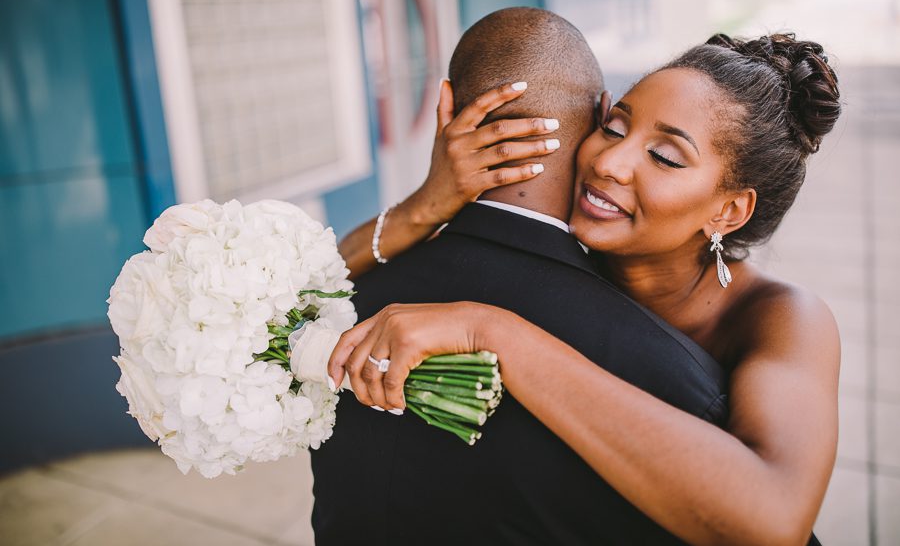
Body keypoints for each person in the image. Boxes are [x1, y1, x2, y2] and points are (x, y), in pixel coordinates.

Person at [329, 32, 842, 545]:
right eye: (614, 127)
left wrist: (492, 331)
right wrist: (427, 203)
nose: (606, 163)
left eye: (664, 157)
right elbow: (314, 281)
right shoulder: (554, 254)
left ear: (728, 211)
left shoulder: (785, 317)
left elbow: (776, 520)